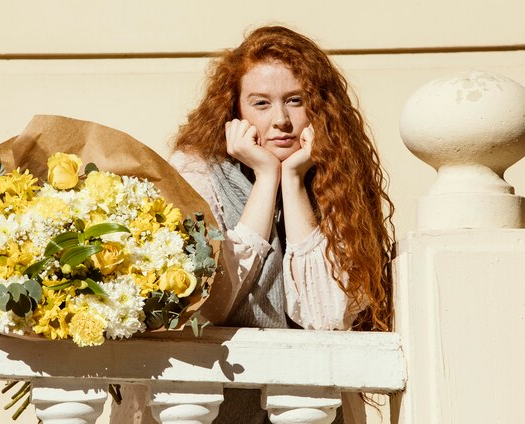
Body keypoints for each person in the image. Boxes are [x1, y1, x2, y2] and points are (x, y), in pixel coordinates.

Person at [112, 25, 395, 424]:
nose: (281, 119)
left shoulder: (338, 183)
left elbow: (326, 317)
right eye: (261, 103)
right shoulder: (197, 174)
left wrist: (293, 181)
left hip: (302, 407)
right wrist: (266, 179)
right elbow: (213, 300)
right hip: (205, 405)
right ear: (236, 113)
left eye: (295, 101)